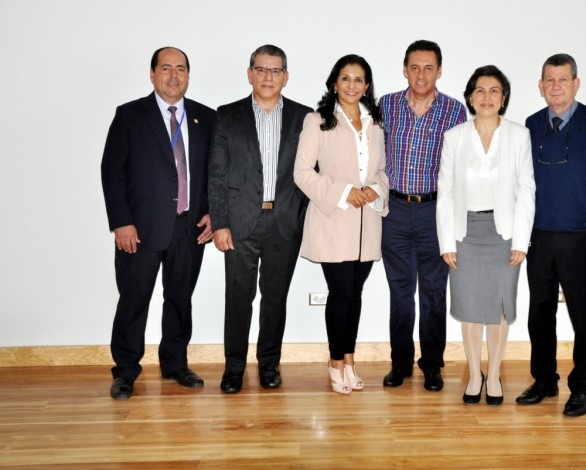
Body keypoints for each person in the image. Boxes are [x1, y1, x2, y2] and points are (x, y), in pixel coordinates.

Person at [101, 46, 216, 400]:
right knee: (134, 299)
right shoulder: (130, 115)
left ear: (188, 75)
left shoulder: (205, 117)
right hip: (141, 228)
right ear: (152, 74)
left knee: (180, 299)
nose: (173, 75)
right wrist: (121, 222)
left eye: (180, 69)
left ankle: (175, 364)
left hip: (189, 227)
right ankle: (125, 370)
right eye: (165, 68)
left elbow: (215, 172)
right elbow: (112, 172)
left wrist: (214, 212)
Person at [516, 53, 586, 417]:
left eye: (563, 80)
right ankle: (544, 381)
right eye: (549, 80)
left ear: (576, 83)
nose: (556, 87)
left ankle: (582, 387)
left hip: (580, 237)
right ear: (540, 86)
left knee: (582, 313)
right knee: (539, 313)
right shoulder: (529, 126)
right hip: (539, 236)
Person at [208, 44, 312, 394]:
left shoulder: (304, 118)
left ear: (286, 76)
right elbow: (216, 175)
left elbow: (314, 173)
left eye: (275, 70)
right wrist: (220, 223)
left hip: (284, 223)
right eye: (262, 70)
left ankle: (269, 365)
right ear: (250, 73)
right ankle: (234, 368)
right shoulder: (226, 116)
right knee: (238, 297)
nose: (268, 77)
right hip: (238, 225)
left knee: (275, 298)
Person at [437, 66, 535, 405]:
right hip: (465, 232)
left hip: (504, 233)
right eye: (480, 90)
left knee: (500, 308)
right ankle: (474, 375)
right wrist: (446, 242)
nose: (487, 97)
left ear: (503, 97)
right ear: (470, 96)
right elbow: (445, 192)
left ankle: (493, 374)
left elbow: (526, 190)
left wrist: (522, 241)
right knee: (469, 308)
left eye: (495, 91)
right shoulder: (454, 136)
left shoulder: (518, 135)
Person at [294, 54, 388, 394]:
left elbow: (380, 172)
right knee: (341, 293)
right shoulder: (318, 121)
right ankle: (335, 363)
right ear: (335, 83)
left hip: (367, 225)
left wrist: (374, 191)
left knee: (356, 294)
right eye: (345, 78)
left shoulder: (376, 124)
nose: (352, 85)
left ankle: (350, 360)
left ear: (366, 86)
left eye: (359, 79)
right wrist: (346, 192)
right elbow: (302, 173)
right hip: (333, 220)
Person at [379, 40, 467, 392]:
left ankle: (432, 364)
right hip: (395, 211)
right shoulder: (385, 105)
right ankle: (399, 364)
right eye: (414, 67)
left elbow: (461, 168)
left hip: (435, 211)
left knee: (434, 292)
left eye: (428, 67)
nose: (421, 74)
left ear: (440, 71)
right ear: (404, 69)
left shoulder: (454, 111)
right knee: (400, 293)